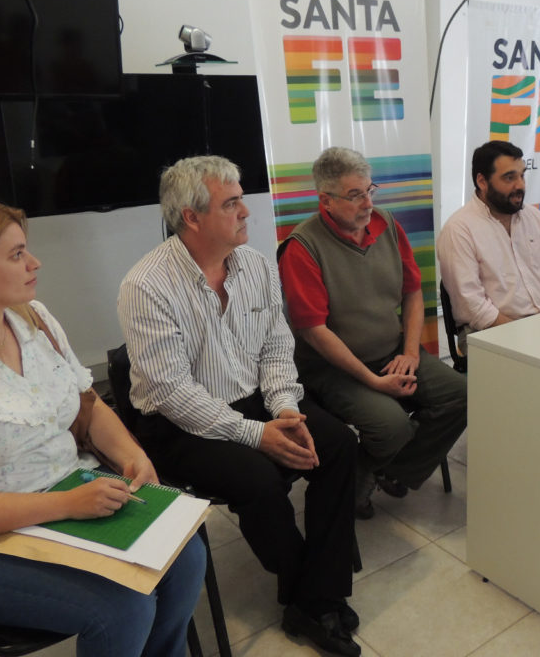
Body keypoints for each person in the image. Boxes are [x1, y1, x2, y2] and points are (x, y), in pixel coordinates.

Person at [0, 200, 206, 657]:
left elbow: (88, 405)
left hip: (62, 495)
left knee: (186, 556)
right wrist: (66, 505)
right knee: (121, 608)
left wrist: (132, 456)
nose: (35, 262)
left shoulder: (33, 318)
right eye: (17, 254)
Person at [117, 156, 361, 657]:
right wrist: (256, 435)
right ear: (192, 217)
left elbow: (276, 348)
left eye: (241, 199)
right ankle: (312, 596)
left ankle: (314, 595)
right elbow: (172, 392)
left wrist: (285, 409)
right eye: (231, 204)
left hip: (254, 399)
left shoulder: (256, 265)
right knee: (258, 479)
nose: (246, 212)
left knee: (337, 444)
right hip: (176, 423)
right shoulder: (146, 285)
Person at [277, 147, 467, 520]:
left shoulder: (386, 224)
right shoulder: (302, 248)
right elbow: (314, 333)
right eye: (355, 195)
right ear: (326, 201)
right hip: (334, 368)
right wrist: (374, 382)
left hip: (392, 350)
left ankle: (379, 472)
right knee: (391, 425)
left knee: (462, 395)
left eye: (369, 190)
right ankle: (370, 473)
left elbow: (413, 292)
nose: (368, 203)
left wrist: (409, 353)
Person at [437, 140, 540, 353]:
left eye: (522, 175)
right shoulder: (459, 230)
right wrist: (530, 336)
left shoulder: (535, 218)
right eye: (509, 178)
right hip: (488, 332)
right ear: (482, 181)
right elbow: (473, 307)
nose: (520, 185)